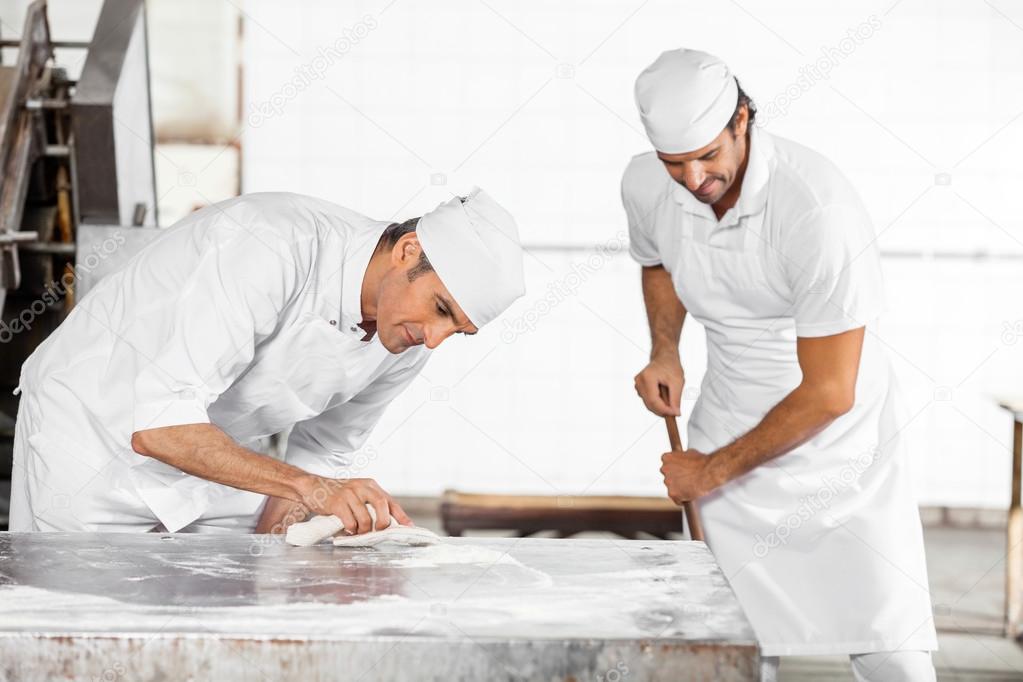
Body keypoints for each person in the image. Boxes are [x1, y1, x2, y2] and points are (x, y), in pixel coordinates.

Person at [624, 48, 937, 681]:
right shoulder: (645, 182)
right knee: (731, 634)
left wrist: (707, 473)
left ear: (743, 119)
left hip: (841, 447)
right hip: (729, 416)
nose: (691, 178)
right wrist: (665, 349)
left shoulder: (816, 208)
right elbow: (656, 260)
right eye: (674, 163)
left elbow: (829, 392)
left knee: (886, 631)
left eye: (707, 156)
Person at [10, 188, 524, 536]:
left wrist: (288, 549)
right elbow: (158, 426)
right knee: (82, 636)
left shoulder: (404, 342)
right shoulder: (275, 246)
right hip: (91, 438)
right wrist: (312, 489)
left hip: (210, 461)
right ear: (408, 251)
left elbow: (321, 456)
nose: (434, 340)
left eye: (458, 331)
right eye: (440, 310)